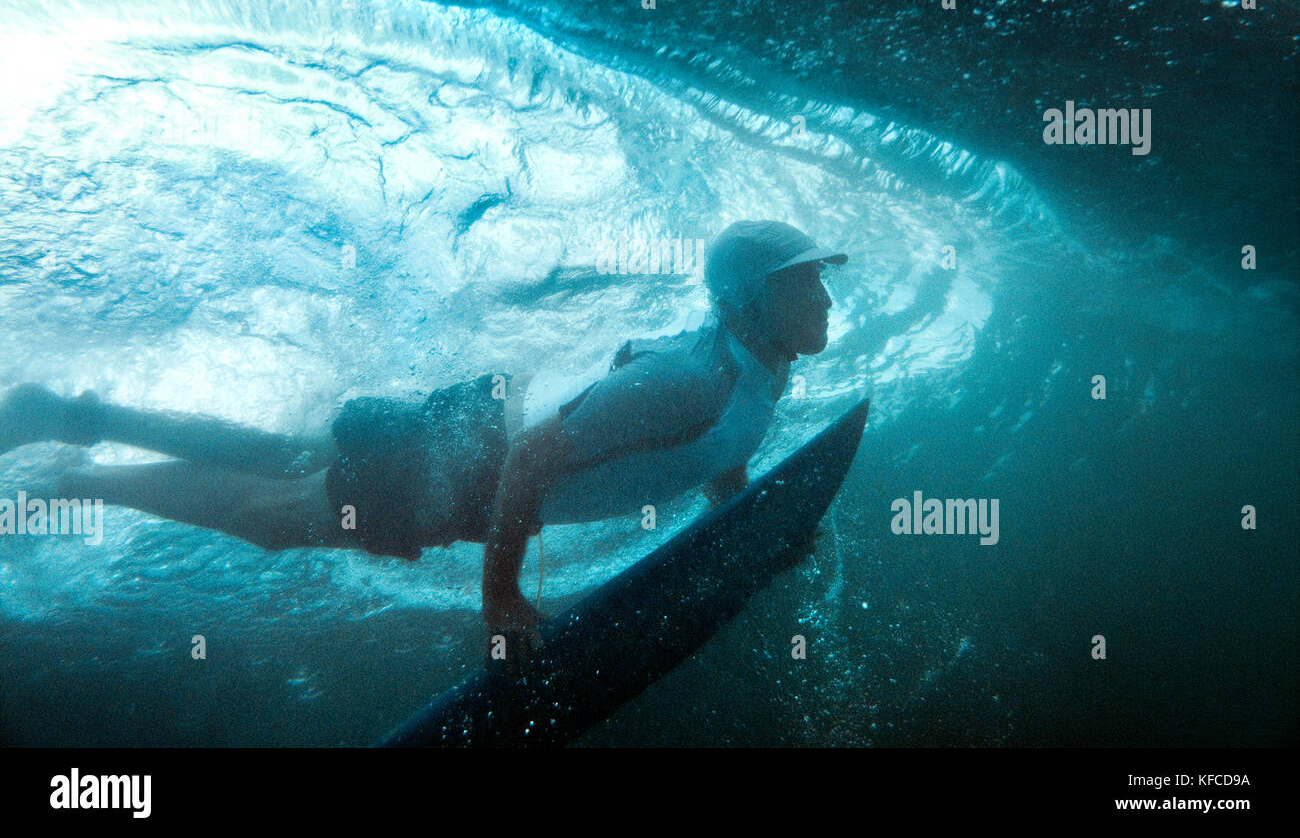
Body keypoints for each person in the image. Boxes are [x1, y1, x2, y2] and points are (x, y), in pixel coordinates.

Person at [0, 220, 845, 639]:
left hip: (468, 426)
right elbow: (530, 461)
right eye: (806, 283)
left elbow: (709, 450)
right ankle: (74, 481)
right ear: (750, 299)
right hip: (465, 463)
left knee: (286, 457)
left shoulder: (754, 375)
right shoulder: (691, 381)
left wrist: (743, 515)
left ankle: (75, 416)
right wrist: (501, 596)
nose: (826, 299)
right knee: (277, 518)